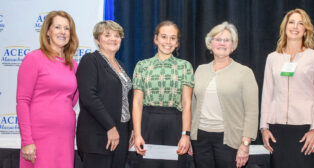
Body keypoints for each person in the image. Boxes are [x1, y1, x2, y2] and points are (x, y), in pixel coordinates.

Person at [260, 8, 314, 168]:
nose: (295, 26)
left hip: (306, 130)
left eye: (300, 23)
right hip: (278, 131)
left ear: (306, 30)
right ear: (285, 27)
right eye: (291, 22)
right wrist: (264, 127)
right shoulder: (272, 58)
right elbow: (267, 94)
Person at [190, 21, 259, 168]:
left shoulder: (244, 73)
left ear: (233, 45)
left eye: (226, 40)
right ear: (210, 43)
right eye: (218, 39)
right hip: (200, 138)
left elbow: (252, 113)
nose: (222, 43)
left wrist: (245, 144)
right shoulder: (200, 70)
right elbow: (193, 106)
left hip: (229, 140)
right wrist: (190, 136)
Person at [16, 10, 79, 168]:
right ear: (48, 31)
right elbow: (23, 101)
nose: (62, 32)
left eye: (66, 28)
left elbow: (72, 100)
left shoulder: (73, 65)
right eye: (57, 27)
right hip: (39, 137)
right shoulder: (33, 59)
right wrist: (27, 141)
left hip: (65, 136)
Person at [132, 20, 194, 168]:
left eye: (173, 38)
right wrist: (137, 134)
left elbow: (187, 104)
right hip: (148, 125)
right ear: (156, 39)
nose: (168, 42)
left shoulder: (185, 66)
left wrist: (185, 134)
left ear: (177, 42)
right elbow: (137, 103)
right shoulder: (142, 66)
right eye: (164, 36)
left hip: (175, 125)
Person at [76, 21, 132, 168]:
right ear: (97, 40)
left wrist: (130, 128)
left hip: (121, 132)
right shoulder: (90, 60)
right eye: (107, 35)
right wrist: (110, 127)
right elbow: (88, 97)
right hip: (99, 133)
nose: (113, 38)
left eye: (117, 35)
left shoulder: (121, 66)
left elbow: (126, 99)